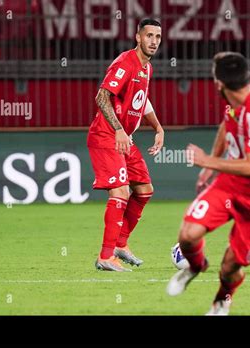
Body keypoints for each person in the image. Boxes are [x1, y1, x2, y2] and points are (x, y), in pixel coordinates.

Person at [166, 52, 250, 314]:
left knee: (230, 267)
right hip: (231, 184)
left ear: (219, 84)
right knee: (188, 235)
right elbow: (226, 127)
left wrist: (206, 162)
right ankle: (196, 266)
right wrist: (212, 165)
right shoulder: (235, 101)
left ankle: (222, 299)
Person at [87, 19, 164, 272]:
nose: (153, 41)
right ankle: (105, 256)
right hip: (107, 135)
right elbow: (102, 96)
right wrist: (119, 129)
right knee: (120, 193)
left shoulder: (146, 68)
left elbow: (142, 101)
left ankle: (120, 244)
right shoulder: (125, 63)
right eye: (149, 35)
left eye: (158, 36)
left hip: (124, 138)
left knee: (144, 190)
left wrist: (157, 127)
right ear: (137, 37)